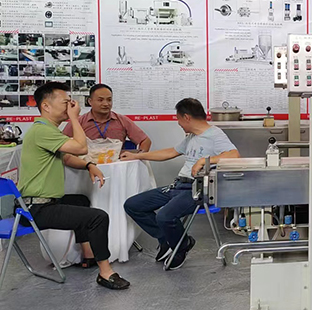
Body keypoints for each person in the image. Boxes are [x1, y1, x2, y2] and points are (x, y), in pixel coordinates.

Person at [18, 82, 129, 290]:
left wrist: (88, 165)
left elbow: (68, 157)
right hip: (36, 208)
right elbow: (80, 147)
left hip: (37, 204)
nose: (70, 106)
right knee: (98, 217)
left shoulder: (47, 131)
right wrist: (75, 118)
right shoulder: (42, 131)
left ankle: (88, 254)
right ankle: (105, 273)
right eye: (65, 102)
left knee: (81, 200)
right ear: (46, 106)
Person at [122, 98, 239, 270]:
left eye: (178, 119)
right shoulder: (192, 137)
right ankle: (169, 240)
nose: (178, 123)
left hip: (198, 189)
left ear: (186, 117)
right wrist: (137, 156)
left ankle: (180, 248)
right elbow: (170, 152)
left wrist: (204, 160)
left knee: (164, 216)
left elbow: (234, 155)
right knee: (133, 205)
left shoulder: (215, 134)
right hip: (178, 185)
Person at [63, 83, 152, 151]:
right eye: (100, 100)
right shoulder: (78, 122)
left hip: (116, 164)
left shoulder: (122, 120)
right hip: (87, 165)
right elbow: (62, 142)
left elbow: (145, 141)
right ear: (90, 101)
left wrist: (139, 157)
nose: (106, 104)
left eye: (109, 100)